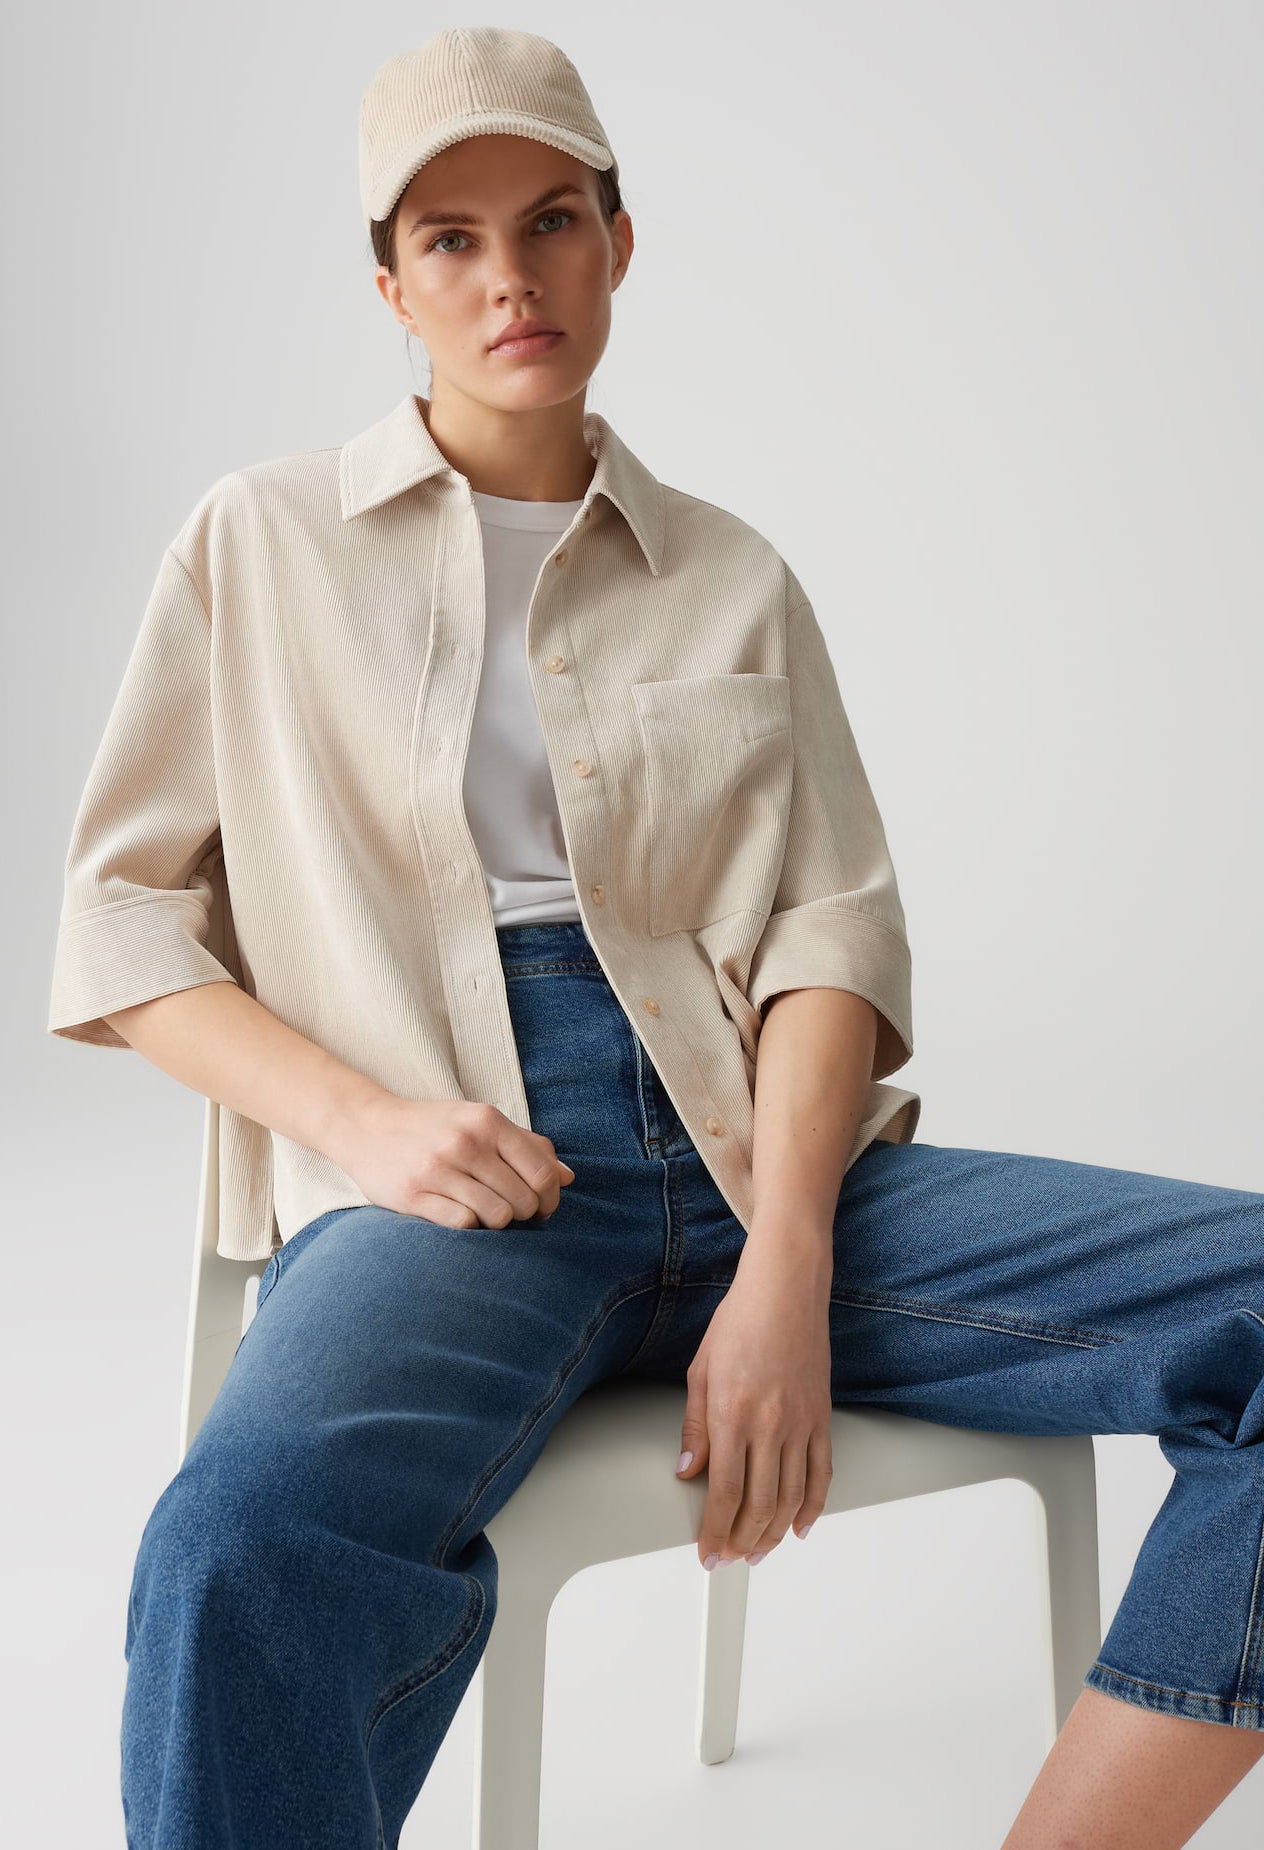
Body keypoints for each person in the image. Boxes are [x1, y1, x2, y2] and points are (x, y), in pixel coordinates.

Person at [47, 26, 1264, 1850]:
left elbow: (827, 933)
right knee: (238, 1545)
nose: (510, 278)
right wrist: (371, 1127)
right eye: (450, 239)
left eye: (551, 220)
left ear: (620, 242)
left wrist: (787, 1262)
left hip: (758, 1147)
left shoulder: (730, 574)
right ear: (389, 285)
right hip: (451, 1182)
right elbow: (122, 915)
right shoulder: (262, 543)